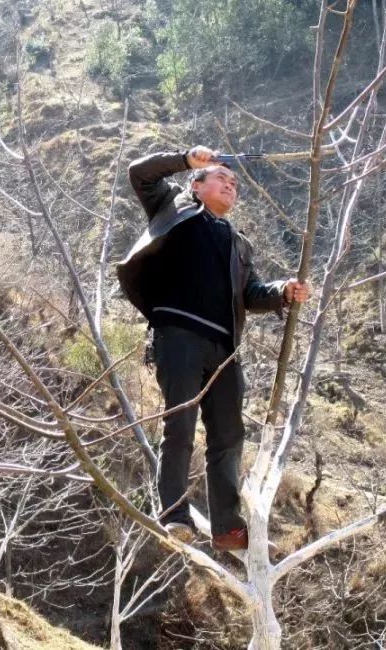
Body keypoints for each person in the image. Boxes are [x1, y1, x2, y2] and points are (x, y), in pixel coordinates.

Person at [117, 147, 309, 551]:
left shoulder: (239, 243)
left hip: (224, 348)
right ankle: (174, 516)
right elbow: (139, 173)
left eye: (235, 184)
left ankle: (227, 527)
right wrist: (187, 158)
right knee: (180, 426)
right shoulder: (172, 207)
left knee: (229, 436)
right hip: (178, 335)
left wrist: (283, 291)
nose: (231, 186)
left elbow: (252, 294)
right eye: (223, 178)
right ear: (197, 185)